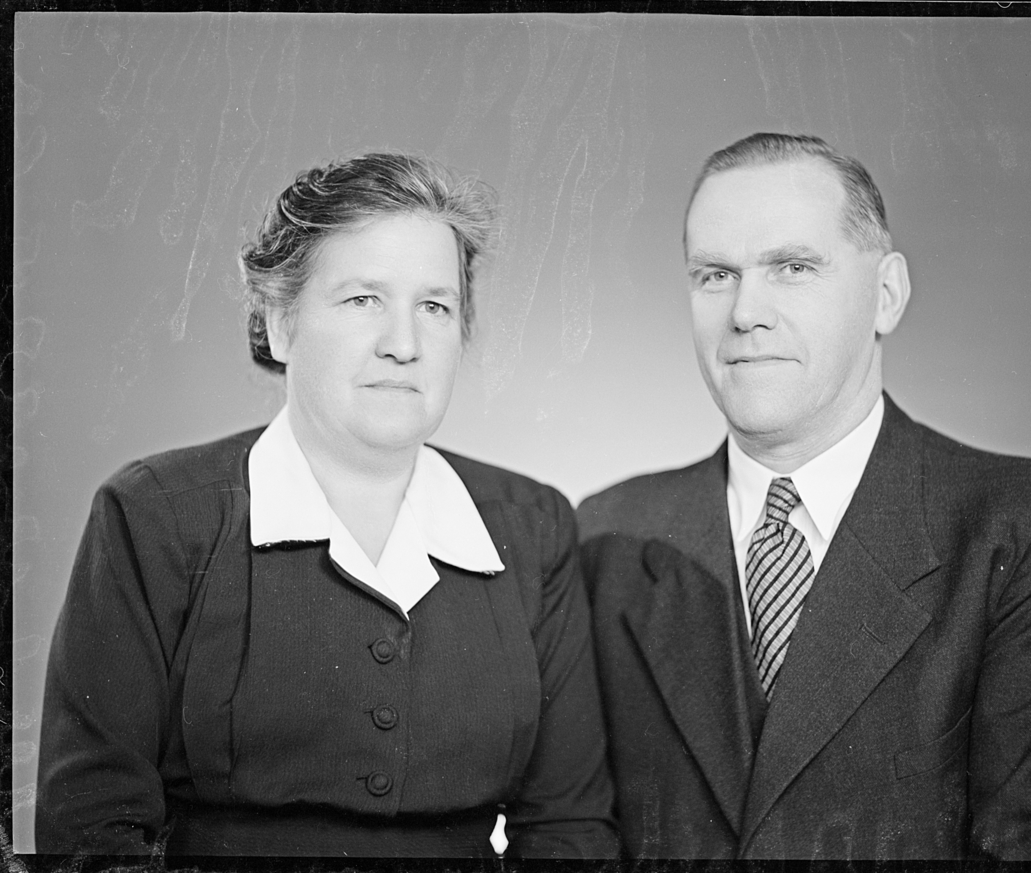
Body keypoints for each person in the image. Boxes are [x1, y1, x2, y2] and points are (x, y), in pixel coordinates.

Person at [36, 152, 618, 858]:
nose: (403, 345)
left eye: (434, 307)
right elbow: (92, 827)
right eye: (363, 299)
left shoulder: (533, 525)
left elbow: (567, 827)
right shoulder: (155, 514)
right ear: (280, 323)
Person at [576, 133, 1031, 861]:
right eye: (715, 275)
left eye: (793, 267)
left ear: (887, 295)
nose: (745, 312)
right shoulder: (603, 535)